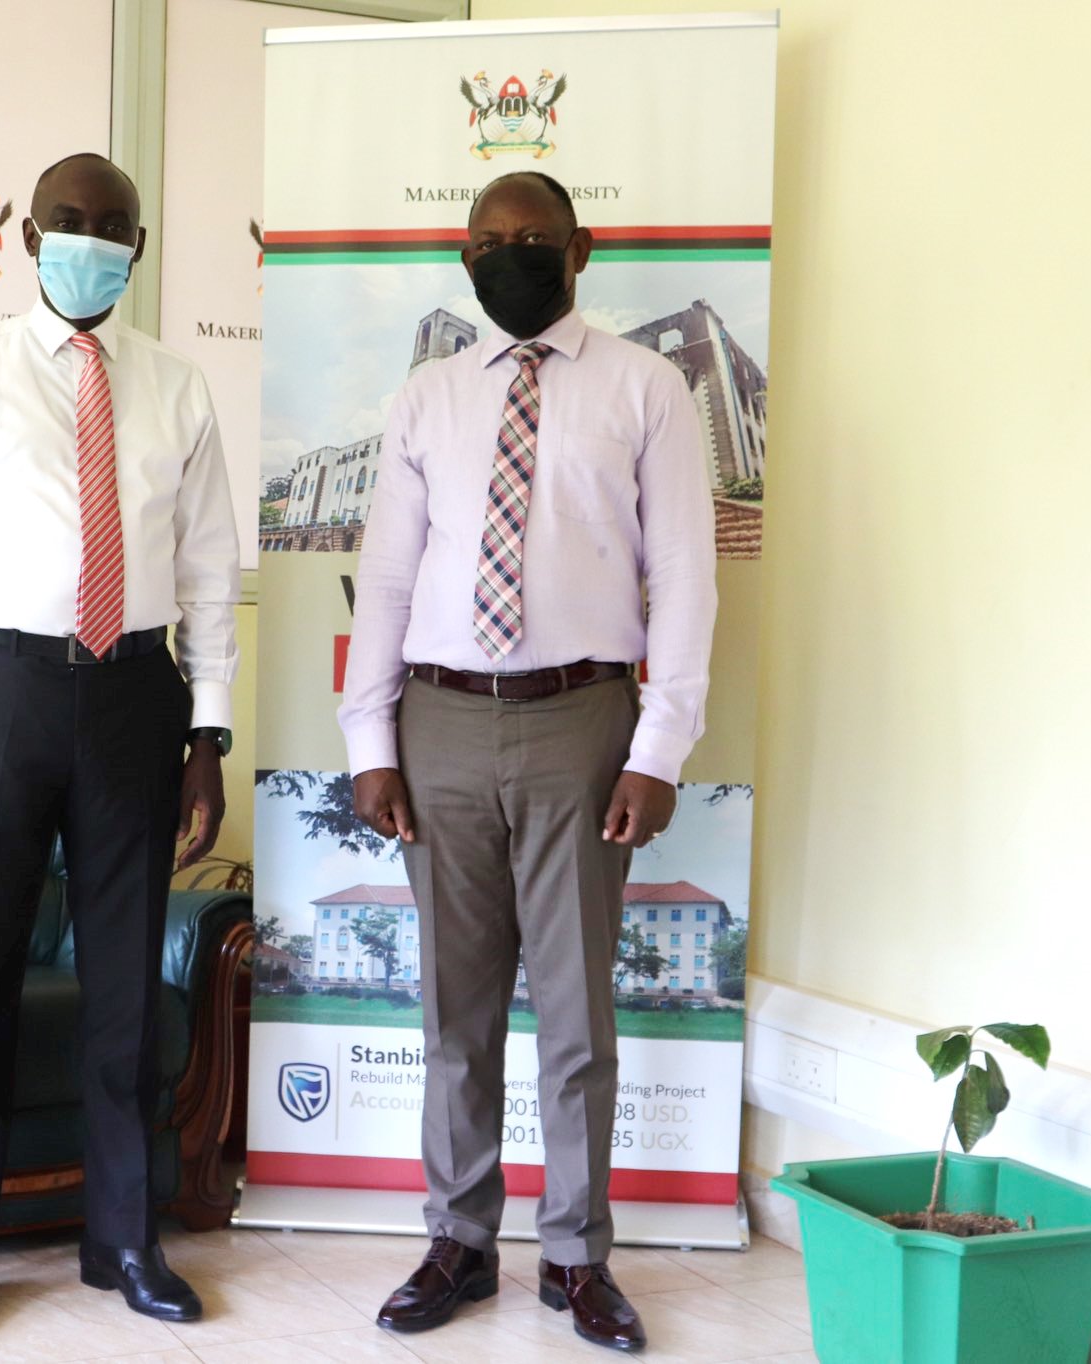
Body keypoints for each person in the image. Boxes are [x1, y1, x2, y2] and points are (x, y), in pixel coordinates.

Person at [337, 169, 718, 1353]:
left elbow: (684, 583)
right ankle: (455, 1236)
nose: (507, 254)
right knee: (452, 1011)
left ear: (579, 248)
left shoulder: (650, 390)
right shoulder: (425, 400)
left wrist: (657, 748)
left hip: (580, 721)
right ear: (461, 255)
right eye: (486, 239)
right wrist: (369, 738)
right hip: (439, 724)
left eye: (531, 238)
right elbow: (388, 578)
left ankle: (573, 1255)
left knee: (575, 1016)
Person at [0, 151, 240, 1346]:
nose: (91, 240)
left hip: (134, 693)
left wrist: (205, 729)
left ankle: (125, 1238)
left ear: (138, 246)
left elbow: (207, 578)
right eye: (69, 222)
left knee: (128, 978)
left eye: (114, 226)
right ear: (30, 238)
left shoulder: (179, 390)